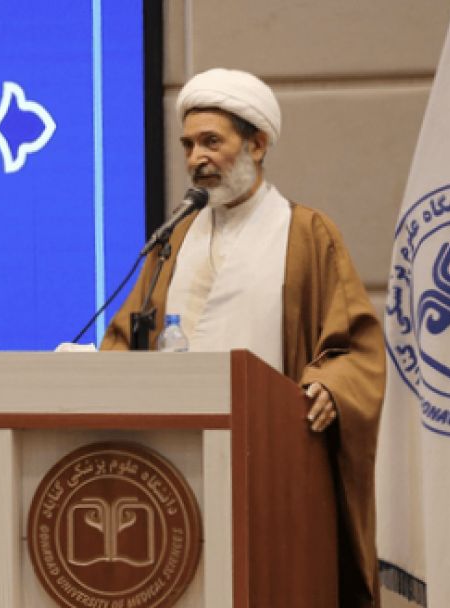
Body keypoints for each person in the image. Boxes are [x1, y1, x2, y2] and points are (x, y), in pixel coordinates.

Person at [101, 68, 385, 608]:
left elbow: (354, 348)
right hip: (171, 471)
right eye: (188, 145)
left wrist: (332, 385)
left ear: (257, 144)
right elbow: (123, 337)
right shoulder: (174, 239)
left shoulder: (306, 234)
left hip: (271, 469)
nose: (195, 158)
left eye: (212, 142)